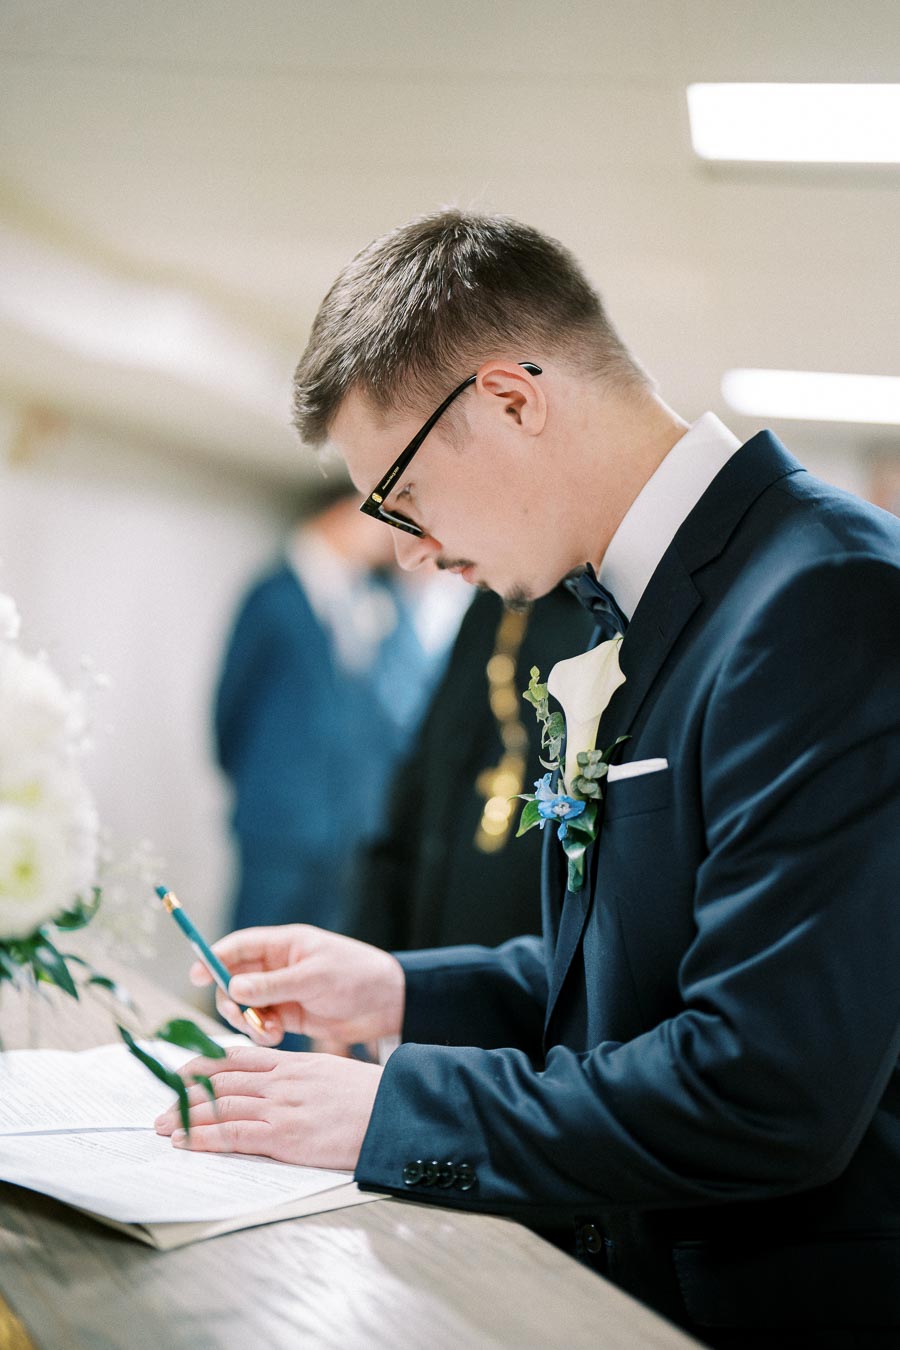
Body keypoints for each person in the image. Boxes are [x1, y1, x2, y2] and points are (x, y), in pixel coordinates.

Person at [158, 212, 900, 1346]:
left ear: (511, 399)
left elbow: (767, 1088)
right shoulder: (649, 601)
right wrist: (400, 991)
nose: (407, 548)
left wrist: (386, 1109)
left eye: (397, 494)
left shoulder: (824, 599)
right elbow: (640, 969)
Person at [214, 483, 440, 941]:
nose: (388, 535)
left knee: (317, 966)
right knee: (252, 954)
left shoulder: (381, 598)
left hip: (352, 829)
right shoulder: (274, 594)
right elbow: (230, 708)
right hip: (280, 824)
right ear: (341, 512)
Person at [349, 585, 593, 952]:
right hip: (432, 923)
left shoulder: (598, 615)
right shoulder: (491, 609)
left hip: (530, 949)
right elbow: (419, 793)